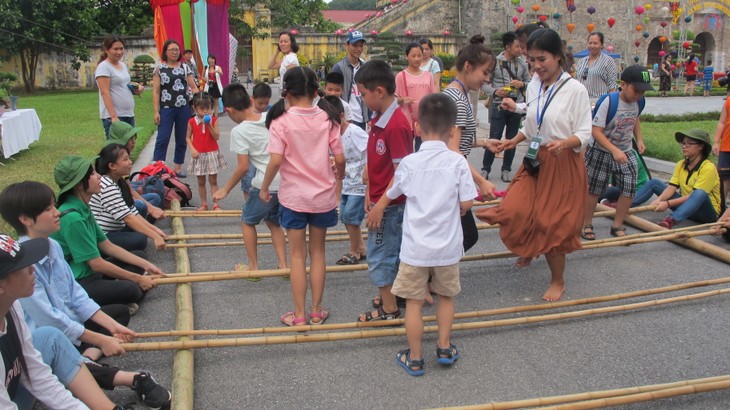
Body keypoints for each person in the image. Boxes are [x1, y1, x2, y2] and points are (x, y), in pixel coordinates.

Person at [0, 183, 172, 409]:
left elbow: (75, 297)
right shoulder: (20, 295)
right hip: (54, 340)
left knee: (111, 318)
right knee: (61, 343)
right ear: (26, 219)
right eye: (48, 208)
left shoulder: (12, 309)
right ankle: (123, 375)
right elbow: (52, 320)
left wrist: (112, 329)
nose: (57, 212)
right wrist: (100, 339)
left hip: (62, 334)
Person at [477, 28, 593, 302]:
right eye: (532, 60)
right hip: (535, 157)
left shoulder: (575, 89)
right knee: (516, 208)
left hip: (562, 161)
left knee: (550, 222)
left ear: (558, 57)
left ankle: (557, 279)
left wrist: (565, 143)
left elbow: (585, 131)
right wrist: (511, 140)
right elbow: (533, 124)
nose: (537, 66)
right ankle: (529, 248)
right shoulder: (534, 85)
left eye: (542, 59)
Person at [388, 94, 476, 377]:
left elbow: (394, 193)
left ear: (417, 127)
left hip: (416, 248)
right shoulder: (458, 162)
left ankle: (414, 358)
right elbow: (466, 204)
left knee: (414, 302)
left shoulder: (410, 163)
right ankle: (444, 347)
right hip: (448, 247)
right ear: (452, 131)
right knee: (446, 298)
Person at [260, 67, 345, 326]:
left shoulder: (281, 122)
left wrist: (264, 188)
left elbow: (275, 160)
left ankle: (298, 315)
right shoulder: (328, 118)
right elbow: (339, 158)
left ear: (287, 91)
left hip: (294, 198)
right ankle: (317, 311)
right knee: (318, 254)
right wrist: (339, 175)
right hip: (322, 198)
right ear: (316, 91)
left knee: (297, 256)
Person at [0, 235, 118, 410]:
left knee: (49, 337)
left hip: (12, 389)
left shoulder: (11, 307)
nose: (33, 268)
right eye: (22, 267)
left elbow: (35, 372)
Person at [51, 156, 166, 308]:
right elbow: (97, 264)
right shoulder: (72, 218)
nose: (98, 176)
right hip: (77, 280)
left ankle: (116, 290)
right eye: (92, 174)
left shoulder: (82, 206)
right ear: (79, 185)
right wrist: (137, 279)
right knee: (131, 290)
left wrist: (147, 266)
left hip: (90, 272)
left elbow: (108, 246)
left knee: (140, 257)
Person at [353, 60, 412, 322]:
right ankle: (394, 295)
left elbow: (402, 172)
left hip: (390, 205)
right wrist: (370, 194)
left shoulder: (397, 124)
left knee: (380, 256)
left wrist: (380, 204)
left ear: (379, 91)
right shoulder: (379, 119)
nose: (362, 99)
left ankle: (389, 309)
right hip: (382, 201)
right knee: (390, 251)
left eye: (363, 94)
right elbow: (378, 165)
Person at [213, 84, 288, 276]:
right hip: (285, 182)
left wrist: (225, 190)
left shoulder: (240, 131)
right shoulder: (269, 118)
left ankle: (254, 267)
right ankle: (283, 265)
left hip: (264, 184)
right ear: (250, 101)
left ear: (229, 110)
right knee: (274, 223)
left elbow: (243, 167)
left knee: (247, 221)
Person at [442, 35, 499, 253]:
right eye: (484, 72)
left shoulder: (456, 93)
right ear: (467, 66)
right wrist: (481, 181)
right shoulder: (456, 98)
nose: (486, 79)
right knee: (465, 236)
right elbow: (453, 149)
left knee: (456, 234)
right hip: (451, 177)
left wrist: (484, 142)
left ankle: (432, 279)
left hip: (451, 174)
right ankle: (431, 279)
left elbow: (452, 140)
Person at [582, 65, 652, 240]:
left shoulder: (639, 102)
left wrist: (640, 139)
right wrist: (613, 150)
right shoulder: (609, 102)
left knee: (629, 188)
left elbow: (635, 119)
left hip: (625, 150)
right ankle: (586, 223)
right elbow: (596, 131)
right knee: (594, 190)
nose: (638, 95)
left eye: (643, 92)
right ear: (623, 84)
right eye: (636, 90)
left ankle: (617, 224)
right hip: (601, 150)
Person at [90, 143, 167, 251]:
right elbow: (128, 218)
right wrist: (154, 236)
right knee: (140, 240)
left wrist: (155, 230)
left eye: (129, 158)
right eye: (125, 159)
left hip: (116, 227)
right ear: (112, 166)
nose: (130, 162)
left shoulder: (118, 181)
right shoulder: (106, 185)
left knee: (141, 222)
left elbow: (132, 212)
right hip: (103, 235)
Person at [322, 96, 368, 265]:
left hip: (359, 184)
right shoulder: (332, 136)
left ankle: (354, 251)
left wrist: (367, 173)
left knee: (350, 217)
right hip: (347, 182)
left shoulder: (354, 132)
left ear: (342, 115)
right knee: (348, 218)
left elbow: (370, 150)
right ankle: (361, 248)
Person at [646, 129, 722, 229]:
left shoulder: (708, 167)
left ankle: (671, 220)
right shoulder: (681, 164)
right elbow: (671, 188)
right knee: (654, 183)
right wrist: (659, 200)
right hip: (686, 207)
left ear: (701, 146)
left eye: (689, 143)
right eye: (683, 143)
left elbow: (693, 195)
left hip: (706, 214)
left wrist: (667, 203)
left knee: (699, 192)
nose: (684, 146)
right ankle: (623, 207)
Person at [481, 31, 530, 183]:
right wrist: (496, 91)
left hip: (516, 106)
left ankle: (506, 169)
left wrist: (522, 84)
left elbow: (530, 83)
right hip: (499, 105)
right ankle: (485, 168)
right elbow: (484, 83)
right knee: (494, 136)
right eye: (517, 47)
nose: (520, 50)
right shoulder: (495, 62)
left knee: (512, 138)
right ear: (508, 47)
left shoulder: (522, 63)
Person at [152, 39, 199, 178]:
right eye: (171, 49)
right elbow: (156, 91)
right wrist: (156, 111)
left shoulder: (185, 67)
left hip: (183, 108)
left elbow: (193, 86)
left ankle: (178, 168)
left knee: (182, 138)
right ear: (165, 52)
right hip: (166, 108)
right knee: (163, 138)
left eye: (176, 50)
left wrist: (199, 101)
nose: (174, 52)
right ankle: (158, 167)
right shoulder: (159, 69)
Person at [105, 122, 165, 220]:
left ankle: (143, 218)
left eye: (134, 138)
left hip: (123, 197)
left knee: (154, 197)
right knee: (140, 205)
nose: (134, 142)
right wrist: (150, 209)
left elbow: (129, 189)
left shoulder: (121, 159)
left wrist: (151, 208)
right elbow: (124, 195)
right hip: (116, 206)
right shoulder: (113, 160)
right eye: (131, 139)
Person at [186, 92, 227, 211]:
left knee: (213, 181)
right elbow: (188, 137)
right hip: (199, 154)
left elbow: (216, 136)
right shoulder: (192, 122)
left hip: (212, 153)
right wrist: (192, 149)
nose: (205, 111)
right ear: (195, 108)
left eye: (207, 108)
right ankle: (203, 204)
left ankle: (216, 204)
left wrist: (209, 125)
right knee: (201, 181)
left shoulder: (214, 120)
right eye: (201, 108)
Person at [95, 35, 140, 139]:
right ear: (106, 50)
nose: (119, 52)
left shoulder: (123, 65)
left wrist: (136, 88)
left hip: (128, 113)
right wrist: (114, 117)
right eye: (115, 49)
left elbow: (124, 85)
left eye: (121, 48)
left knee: (129, 146)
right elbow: (105, 93)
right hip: (114, 116)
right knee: (116, 149)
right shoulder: (104, 67)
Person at [395, 42, 437, 151]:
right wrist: (402, 100)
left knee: (422, 150)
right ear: (406, 56)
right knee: (406, 150)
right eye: (413, 56)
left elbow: (433, 98)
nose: (417, 59)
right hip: (406, 120)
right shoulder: (401, 76)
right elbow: (393, 100)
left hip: (424, 120)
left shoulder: (428, 75)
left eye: (419, 55)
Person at [332, 31, 370, 130]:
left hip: (362, 118)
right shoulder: (339, 68)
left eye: (361, 46)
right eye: (355, 45)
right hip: (346, 118)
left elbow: (370, 91)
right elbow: (333, 93)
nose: (358, 49)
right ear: (347, 46)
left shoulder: (365, 67)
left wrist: (370, 117)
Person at [576, 32, 618, 100]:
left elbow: (612, 86)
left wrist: (609, 103)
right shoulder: (581, 61)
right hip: (582, 101)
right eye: (590, 43)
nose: (592, 46)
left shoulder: (607, 61)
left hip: (599, 102)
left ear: (601, 45)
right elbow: (576, 81)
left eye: (595, 43)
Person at [713, 95, 730, 200]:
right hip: (726, 146)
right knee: (724, 177)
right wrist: (716, 142)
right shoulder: (729, 100)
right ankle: (721, 205)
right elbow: (722, 122)